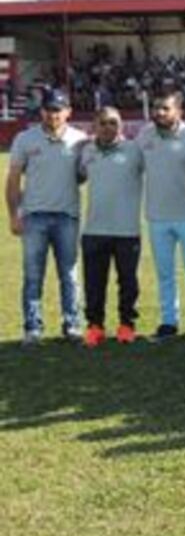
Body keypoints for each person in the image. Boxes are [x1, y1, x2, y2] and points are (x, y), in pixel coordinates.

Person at [6, 89, 87, 344]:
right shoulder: (25, 139)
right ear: (41, 111)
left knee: (70, 275)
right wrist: (14, 215)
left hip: (67, 216)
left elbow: (83, 175)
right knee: (32, 275)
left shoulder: (80, 139)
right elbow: (13, 180)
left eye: (58, 109)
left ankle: (71, 324)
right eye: (49, 109)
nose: (53, 114)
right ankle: (32, 328)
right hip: (34, 217)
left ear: (68, 112)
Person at [136, 90, 185, 341]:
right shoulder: (145, 134)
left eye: (165, 108)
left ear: (179, 111)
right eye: (156, 108)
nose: (159, 112)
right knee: (165, 273)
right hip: (157, 217)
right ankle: (169, 322)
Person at [78, 107, 144, 347]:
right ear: (94, 125)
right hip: (94, 229)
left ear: (122, 125)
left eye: (114, 123)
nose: (108, 127)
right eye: (103, 123)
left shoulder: (135, 150)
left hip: (127, 230)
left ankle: (127, 325)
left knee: (128, 282)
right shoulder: (86, 151)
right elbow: (78, 176)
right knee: (94, 283)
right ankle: (95, 326)